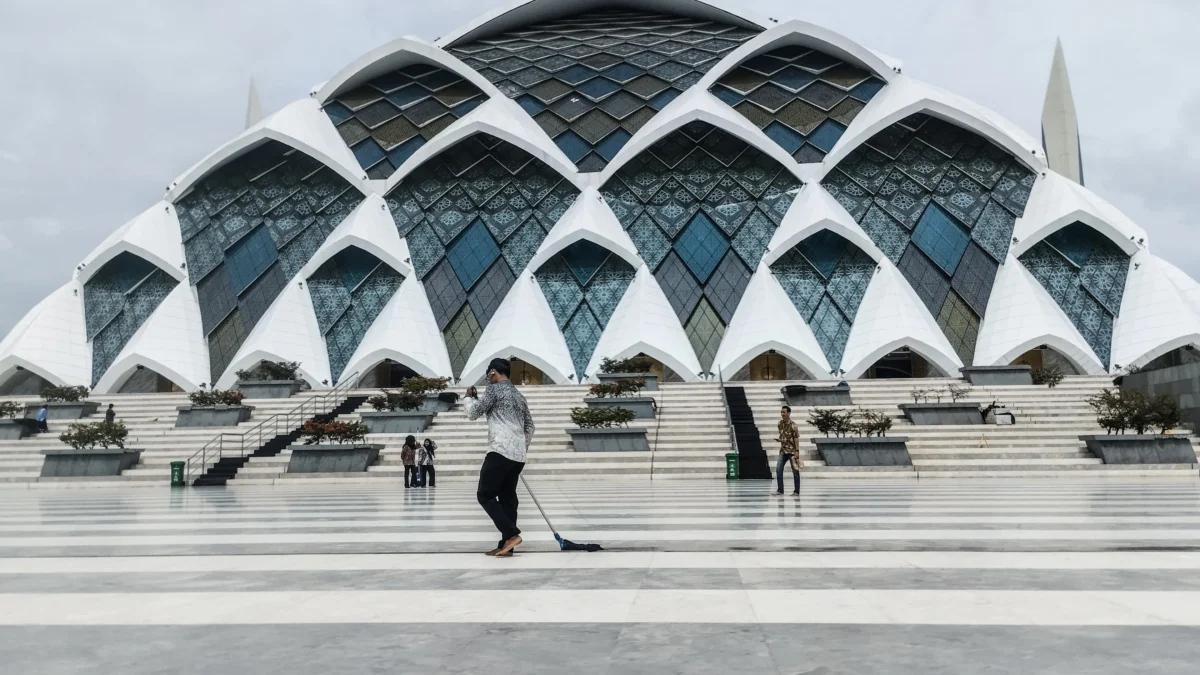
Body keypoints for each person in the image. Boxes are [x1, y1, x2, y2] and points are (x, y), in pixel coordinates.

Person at [466, 357, 535, 558]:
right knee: (508, 498)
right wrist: (521, 446)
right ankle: (507, 545)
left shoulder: (493, 390)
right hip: (517, 455)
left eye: (489, 375)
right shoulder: (519, 395)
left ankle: (512, 534)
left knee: (485, 495)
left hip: (500, 450)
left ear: (493, 372)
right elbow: (530, 426)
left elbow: (473, 413)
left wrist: (468, 398)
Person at [773, 405, 801, 496]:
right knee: (778, 469)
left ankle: (796, 491)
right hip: (783, 450)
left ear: (789, 413)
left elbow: (796, 438)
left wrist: (797, 451)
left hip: (792, 451)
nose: (782, 414)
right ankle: (780, 490)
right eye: (781, 412)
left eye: (784, 412)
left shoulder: (793, 425)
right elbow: (783, 436)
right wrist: (780, 440)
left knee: (795, 471)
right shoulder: (779, 423)